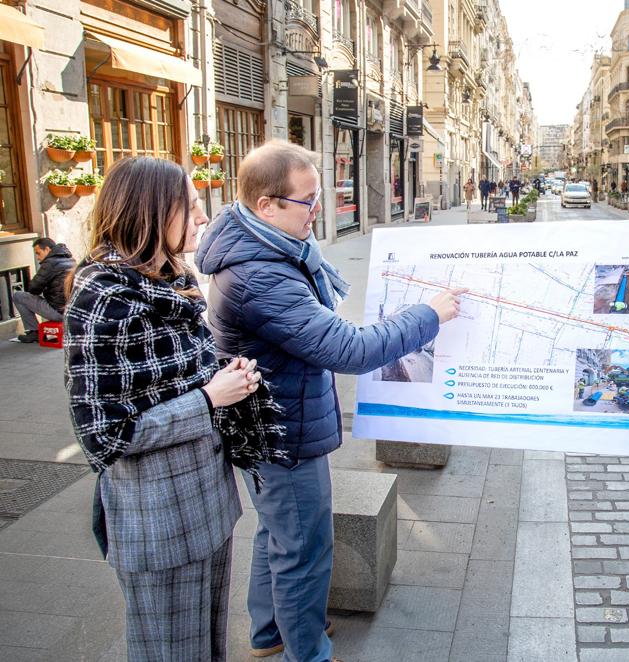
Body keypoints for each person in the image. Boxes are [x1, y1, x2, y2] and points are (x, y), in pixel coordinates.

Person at [196, 140, 464, 662]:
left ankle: (270, 632)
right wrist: (427, 314)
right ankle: (308, 651)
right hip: (282, 433)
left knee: (279, 535)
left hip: (272, 424)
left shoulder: (267, 250)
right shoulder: (260, 276)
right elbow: (349, 349)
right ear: (267, 206)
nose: (319, 211)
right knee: (305, 550)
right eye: (308, 201)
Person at [65, 156, 282, 661]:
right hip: (157, 520)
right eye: (191, 206)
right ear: (150, 212)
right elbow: (106, 435)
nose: (204, 217)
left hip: (209, 504)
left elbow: (177, 376)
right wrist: (210, 398)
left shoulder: (171, 278)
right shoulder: (105, 296)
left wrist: (231, 376)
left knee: (208, 648)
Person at [11, 237, 74, 343]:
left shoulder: (49, 263)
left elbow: (33, 289)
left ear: (47, 249)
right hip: (72, 311)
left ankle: (33, 332)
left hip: (58, 312)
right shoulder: (71, 260)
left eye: (38, 253)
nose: (37, 258)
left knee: (19, 296)